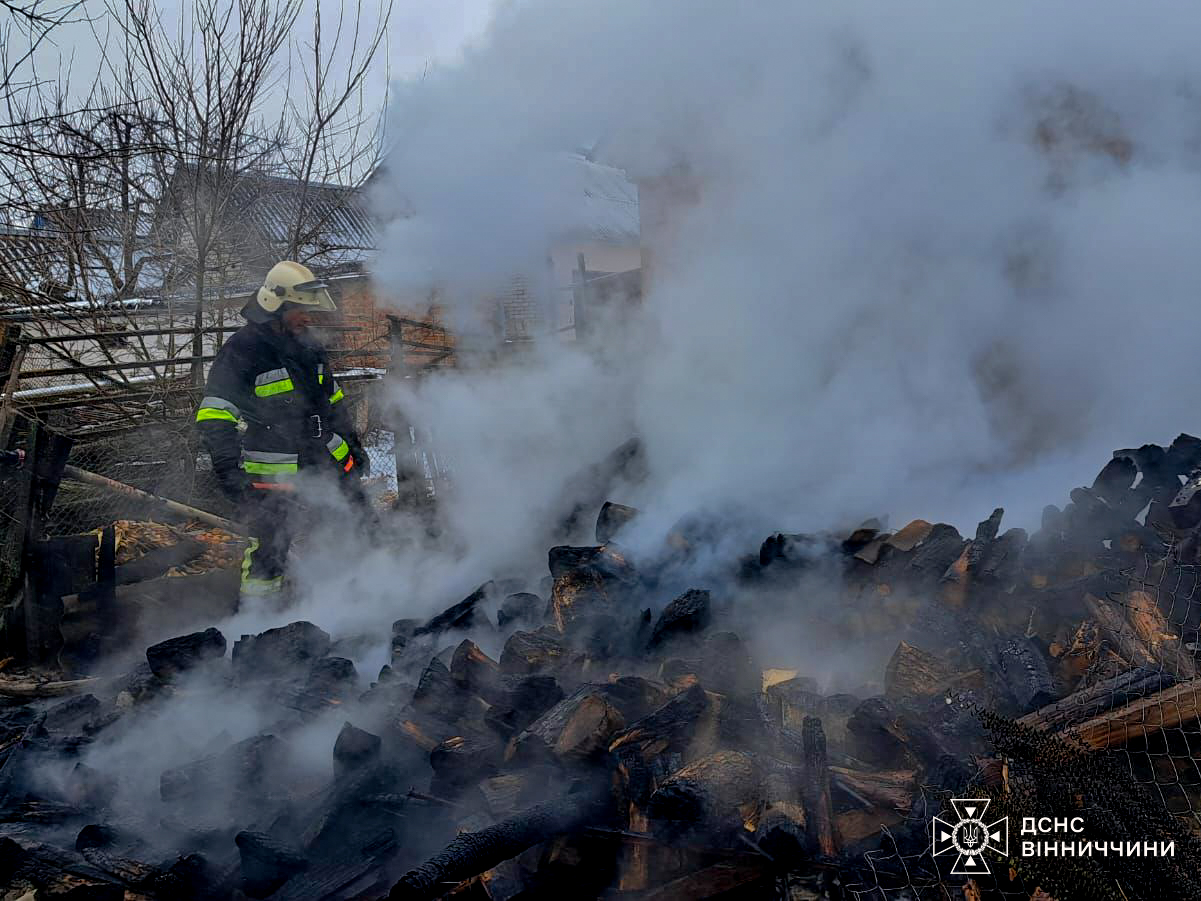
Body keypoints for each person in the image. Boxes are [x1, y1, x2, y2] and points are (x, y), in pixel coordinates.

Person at [195, 261, 369, 604]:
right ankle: (258, 621)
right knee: (270, 546)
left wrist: (353, 445)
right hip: (275, 471)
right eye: (300, 309)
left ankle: (355, 602)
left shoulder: (310, 348)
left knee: (359, 525)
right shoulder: (244, 350)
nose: (307, 317)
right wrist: (229, 471)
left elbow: (334, 404)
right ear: (276, 306)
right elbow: (215, 412)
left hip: (328, 461)